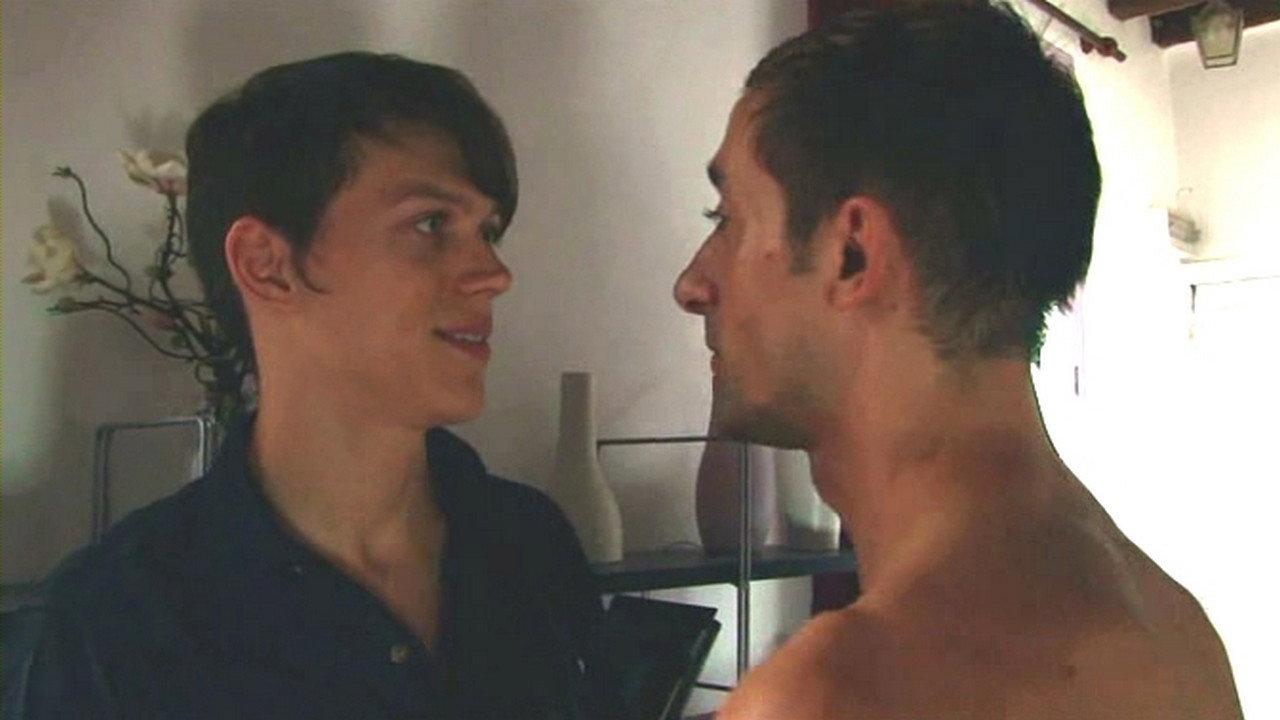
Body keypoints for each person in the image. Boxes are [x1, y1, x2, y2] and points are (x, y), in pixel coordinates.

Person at [673, 3, 1244, 718]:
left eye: (726, 219)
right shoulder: (1179, 633)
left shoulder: (835, 695)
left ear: (852, 254)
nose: (691, 285)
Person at [9, 52, 619, 719]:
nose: (494, 273)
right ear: (265, 265)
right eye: (430, 223)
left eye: (488, 231)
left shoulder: (528, 546)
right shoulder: (122, 620)